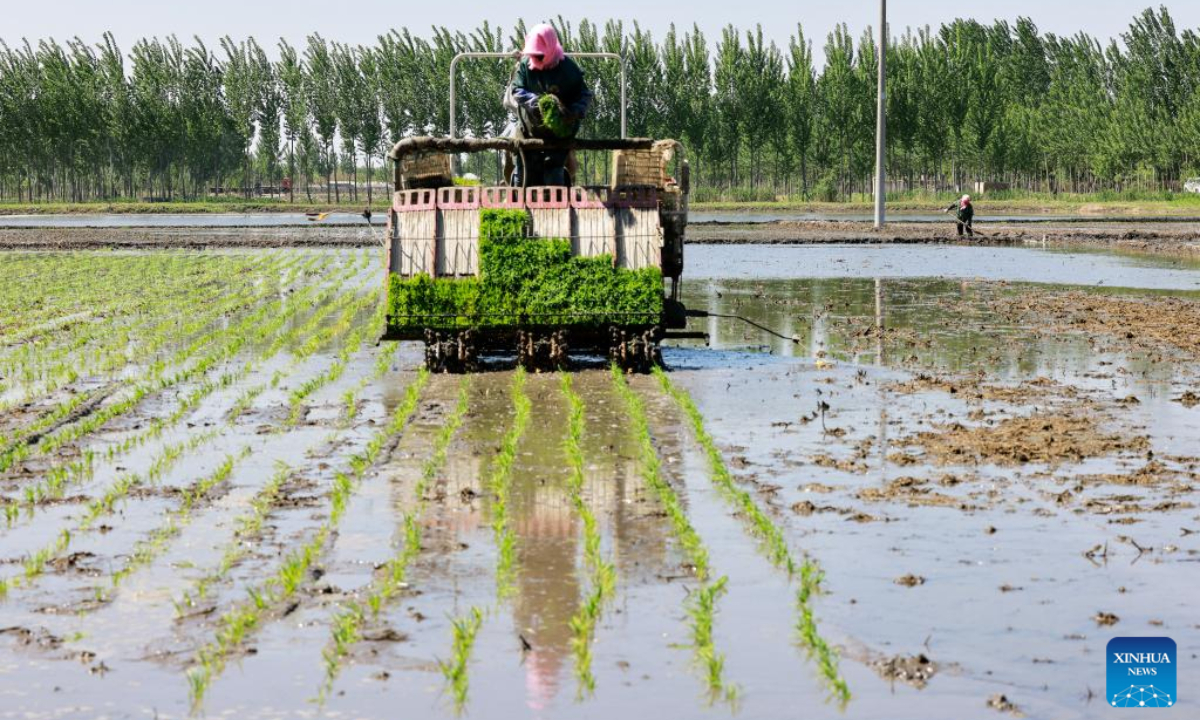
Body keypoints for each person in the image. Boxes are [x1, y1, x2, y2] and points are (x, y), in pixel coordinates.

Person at [508, 24, 594, 187]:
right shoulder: (526, 65)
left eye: (539, 54)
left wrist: (575, 111)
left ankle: (557, 209)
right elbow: (517, 89)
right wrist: (537, 103)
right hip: (529, 130)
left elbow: (585, 94)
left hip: (559, 134)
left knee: (553, 173)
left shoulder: (568, 68)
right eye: (533, 54)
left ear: (550, 47)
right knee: (523, 174)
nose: (536, 58)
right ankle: (518, 208)